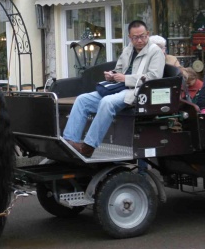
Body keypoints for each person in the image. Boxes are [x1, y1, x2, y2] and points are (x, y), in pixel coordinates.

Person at [63, 20, 165, 158]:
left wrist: (125, 79)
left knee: (107, 102)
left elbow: (154, 77)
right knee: (82, 100)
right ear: (130, 37)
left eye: (143, 36)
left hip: (137, 91)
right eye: (136, 37)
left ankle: (88, 147)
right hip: (118, 87)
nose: (140, 40)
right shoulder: (128, 49)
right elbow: (119, 69)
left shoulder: (155, 52)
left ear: (148, 34)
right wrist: (111, 75)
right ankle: (69, 141)